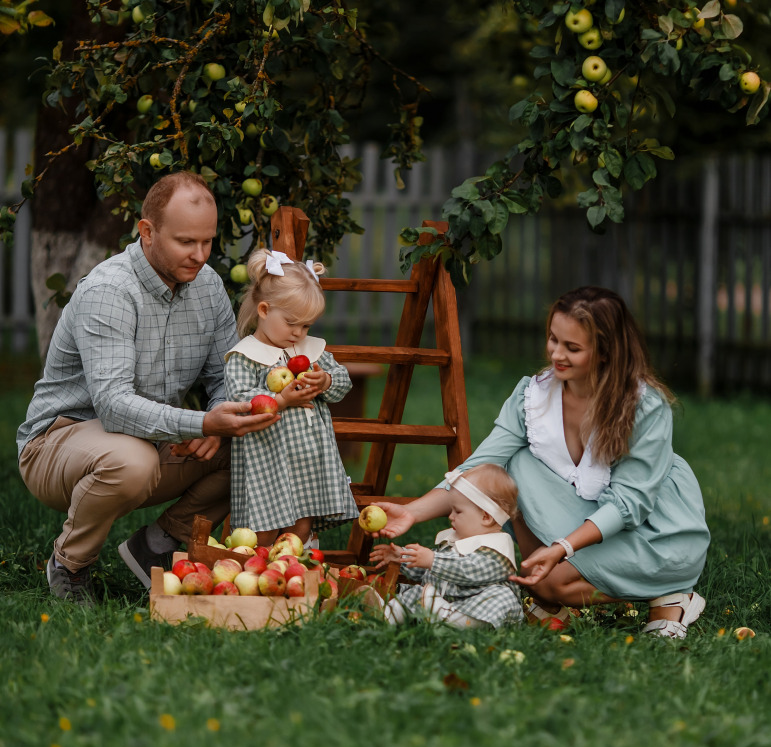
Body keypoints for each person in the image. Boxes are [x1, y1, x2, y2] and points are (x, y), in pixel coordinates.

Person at [376, 287, 711, 640]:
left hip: (655, 531)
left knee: (553, 582)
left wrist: (563, 548)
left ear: (605, 353)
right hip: (585, 513)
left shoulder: (644, 407)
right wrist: (412, 511)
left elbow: (628, 504)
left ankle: (672, 594)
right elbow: (480, 470)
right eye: (553, 339)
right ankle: (555, 597)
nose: (556, 354)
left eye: (572, 348)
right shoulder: (533, 396)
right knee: (511, 468)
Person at [18, 172, 280, 606]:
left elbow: (225, 376)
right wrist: (199, 421)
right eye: (185, 242)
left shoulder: (208, 286)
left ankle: (159, 545)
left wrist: (217, 422)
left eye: (207, 242)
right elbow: (115, 408)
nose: (200, 256)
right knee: (131, 460)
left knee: (257, 440)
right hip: (58, 443)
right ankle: (70, 564)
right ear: (147, 231)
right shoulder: (110, 291)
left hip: (149, 440)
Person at [223, 248, 359, 547]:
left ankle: (298, 566)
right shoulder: (246, 357)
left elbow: (343, 381)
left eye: (307, 325)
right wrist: (281, 400)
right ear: (263, 310)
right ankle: (260, 568)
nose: (299, 333)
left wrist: (325, 380)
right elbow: (242, 403)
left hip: (311, 457)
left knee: (303, 519)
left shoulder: (311, 352)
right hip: (268, 458)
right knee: (265, 526)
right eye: (292, 323)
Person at [370, 463, 524, 629]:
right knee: (417, 593)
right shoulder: (455, 541)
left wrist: (432, 559)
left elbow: (467, 570)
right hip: (446, 602)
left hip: (475, 609)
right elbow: (431, 571)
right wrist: (403, 558)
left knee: (502, 597)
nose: (450, 516)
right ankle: (385, 615)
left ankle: (464, 623)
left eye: (458, 511)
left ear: (486, 517)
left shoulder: (496, 551)